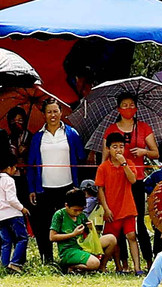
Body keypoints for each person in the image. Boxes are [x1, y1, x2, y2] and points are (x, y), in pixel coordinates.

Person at [24, 97, 84, 265]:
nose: (52, 115)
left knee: (69, 224)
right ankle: (47, 259)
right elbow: (31, 165)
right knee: (44, 225)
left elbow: (81, 157)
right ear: (44, 114)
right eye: (49, 112)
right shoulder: (37, 137)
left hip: (67, 187)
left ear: (61, 112)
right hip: (44, 188)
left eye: (55, 111)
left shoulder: (71, 133)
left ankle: (69, 258)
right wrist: (31, 189)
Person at [93, 132, 142, 272]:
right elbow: (100, 190)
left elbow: (133, 180)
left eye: (121, 146)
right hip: (112, 209)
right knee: (113, 239)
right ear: (108, 149)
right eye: (115, 147)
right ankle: (118, 266)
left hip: (127, 207)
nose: (119, 150)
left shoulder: (129, 163)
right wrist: (106, 209)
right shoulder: (103, 167)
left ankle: (137, 268)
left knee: (131, 235)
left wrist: (124, 164)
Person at [103, 91, 159, 172]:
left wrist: (144, 152)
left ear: (136, 108)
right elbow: (104, 158)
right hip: (116, 177)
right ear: (119, 109)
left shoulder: (144, 127)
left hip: (137, 176)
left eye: (132, 105)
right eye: (125, 105)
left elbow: (156, 153)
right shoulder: (111, 130)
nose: (128, 108)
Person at [49, 185, 101, 272]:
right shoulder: (59, 215)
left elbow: (89, 235)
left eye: (81, 210)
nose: (78, 213)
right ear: (66, 205)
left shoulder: (82, 216)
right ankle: (71, 267)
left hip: (82, 246)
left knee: (111, 239)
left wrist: (91, 228)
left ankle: (101, 267)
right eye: (75, 210)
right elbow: (52, 237)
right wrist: (73, 234)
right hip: (69, 251)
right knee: (94, 263)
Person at [0, 153, 25, 271]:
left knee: (6, 241)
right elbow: (11, 199)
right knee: (22, 238)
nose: (15, 170)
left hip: (1, 216)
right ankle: (15, 262)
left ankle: (4, 266)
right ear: (9, 167)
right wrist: (22, 208)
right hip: (12, 214)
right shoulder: (8, 180)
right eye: (15, 167)